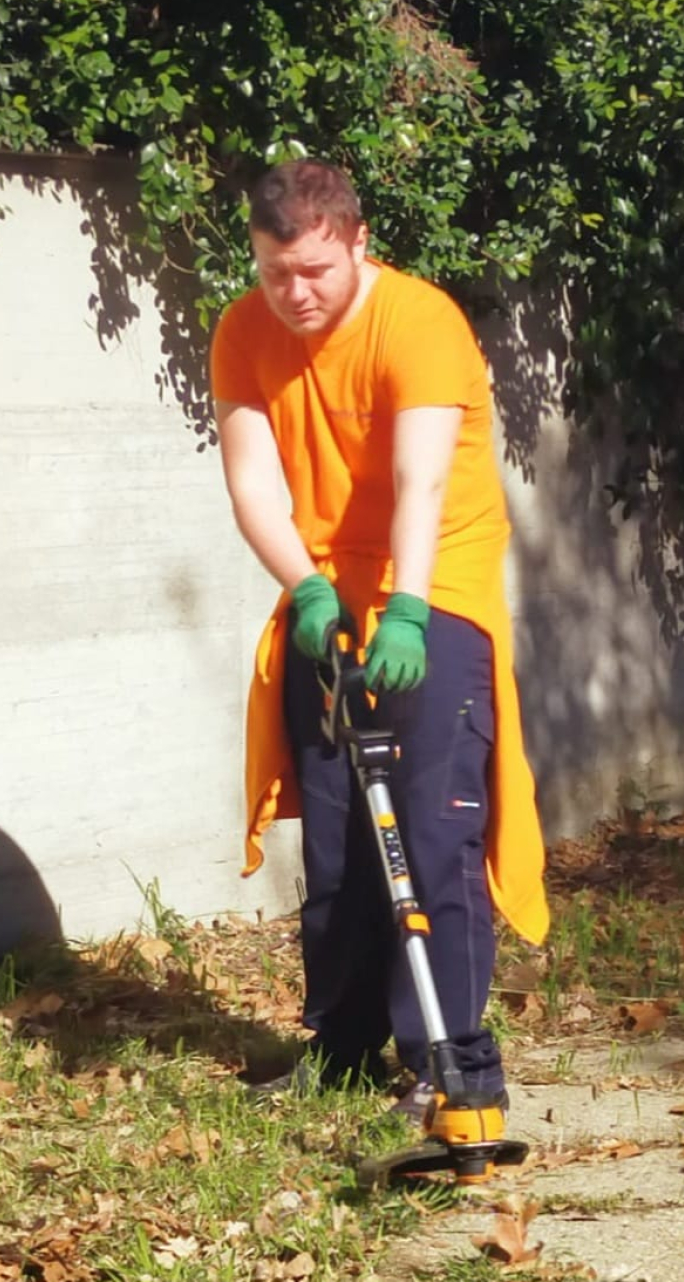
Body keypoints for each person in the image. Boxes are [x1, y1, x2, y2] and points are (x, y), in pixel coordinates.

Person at [209, 159, 549, 1117]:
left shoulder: (419, 321)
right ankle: (345, 1047)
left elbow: (421, 483)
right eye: (275, 271)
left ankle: (455, 1064)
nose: (294, 292)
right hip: (327, 585)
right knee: (338, 836)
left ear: (359, 242)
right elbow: (253, 484)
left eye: (315, 270)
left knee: (432, 829)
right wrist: (308, 588)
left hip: (434, 578)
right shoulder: (243, 330)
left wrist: (405, 607)